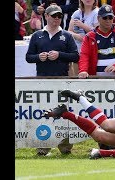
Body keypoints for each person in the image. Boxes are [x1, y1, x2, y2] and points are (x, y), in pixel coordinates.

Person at [26, 5, 79, 156]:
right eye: (54, 16)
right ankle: (43, 147)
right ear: (46, 16)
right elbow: (29, 57)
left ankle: (65, 148)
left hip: (62, 79)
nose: (57, 19)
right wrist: (39, 57)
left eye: (59, 16)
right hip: (43, 80)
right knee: (44, 113)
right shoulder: (37, 35)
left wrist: (59, 55)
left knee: (65, 113)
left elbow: (75, 56)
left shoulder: (66, 36)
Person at [77, 4, 115, 78]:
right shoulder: (89, 37)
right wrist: (83, 70)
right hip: (96, 80)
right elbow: (84, 55)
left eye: (110, 17)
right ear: (98, 18)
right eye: (105, 18)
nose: (108, 20)